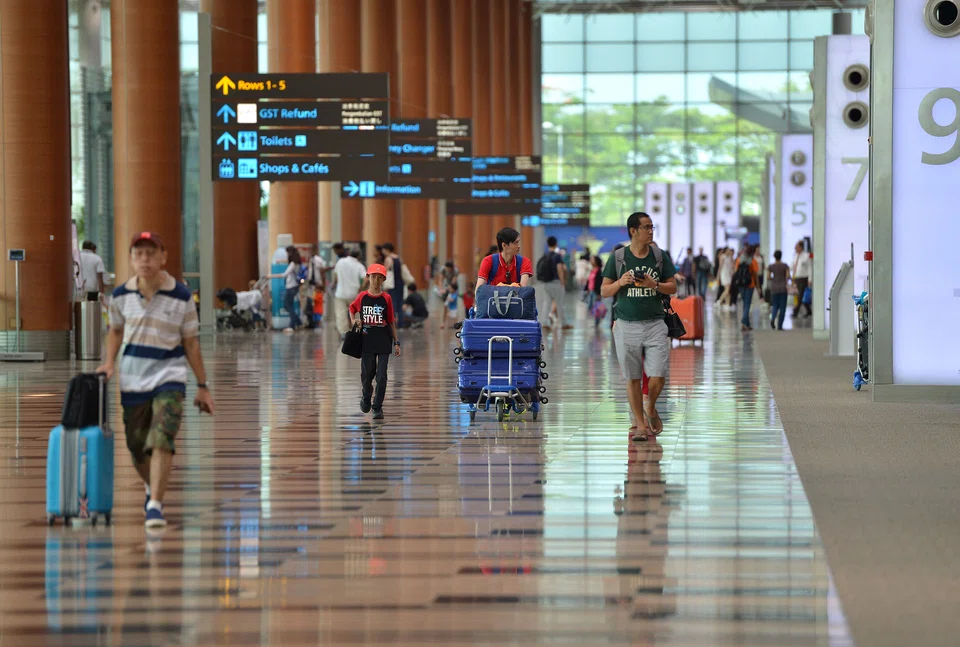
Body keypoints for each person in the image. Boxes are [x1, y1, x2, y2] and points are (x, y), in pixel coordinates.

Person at [97, 231, 215, 530]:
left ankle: (155, 506)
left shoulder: (181, 296)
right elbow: (115, 331)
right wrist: (109, 363)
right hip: (133, 378)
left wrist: (202, 386)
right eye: (139, 254)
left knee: (161, 437)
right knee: (137, 445)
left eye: (151, 253)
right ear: (131, 259)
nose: (145, 259)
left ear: (163, 257)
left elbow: (191, 342)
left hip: (169, 376)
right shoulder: (120, 295)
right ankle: (152, 485)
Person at [601, 212, 678, 443]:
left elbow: (673, 287)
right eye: (646, 227)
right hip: (626, 324)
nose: (651, 231)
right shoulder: (618, 258)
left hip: (655, 323)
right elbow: (604, 291)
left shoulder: (659, 256)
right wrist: (620, 282)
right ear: (633, 231)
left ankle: (650, 406)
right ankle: (641, 426)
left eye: (652, 227)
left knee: (658, 375)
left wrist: (654, 284)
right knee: (633, 378)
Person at [349, 264, 401, 420]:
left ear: (383, 280)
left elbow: (391, 321)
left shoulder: (386, 298)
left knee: (382, 376)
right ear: (368, 278)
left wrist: (396, 343)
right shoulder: (362, 297)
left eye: (379, 278)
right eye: (373, 277)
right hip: (367, 340)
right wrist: (354, 321)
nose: (376, 281)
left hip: (383, 340)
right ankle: (366, 397)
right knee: (367, 375)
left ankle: (377, 407)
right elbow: (352, 308)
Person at [475, 227, 534, 292]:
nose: (518, 246)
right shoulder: (488, 261)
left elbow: (522, 289)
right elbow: (478, 290)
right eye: (515, 243)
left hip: (515, 298)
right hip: (493, 298)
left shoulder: (524, 261)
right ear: (504, 245)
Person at [331, 244, 367, 340]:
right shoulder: (359, 265)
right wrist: (361, 288)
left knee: (340, 313)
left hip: (340, 293)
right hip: (354, 293)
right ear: (359, 256)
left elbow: (336, 275)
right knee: (356, 313)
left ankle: (343, 332)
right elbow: (366, 278)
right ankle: (357, 331)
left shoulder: (340, 262)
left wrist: (334, 284)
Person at [536, 236, 572, 332]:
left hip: (546, 283)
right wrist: (562, 281)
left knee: (547, 303)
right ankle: (564, 324)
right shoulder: (557, 256)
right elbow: (559, 268)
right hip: (556, 282)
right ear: (556, 244)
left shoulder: (545, 256)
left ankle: (544, 323)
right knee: (559, 303)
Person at [733, 245, 759, 331]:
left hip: (740, 284)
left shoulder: (739, 260)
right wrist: (758, 286)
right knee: (747, 304)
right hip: (750, 284)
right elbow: (755, 275)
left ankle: (746, 324)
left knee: (745, 303)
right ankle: (744, 321)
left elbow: (735, 272)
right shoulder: (753, 261)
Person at [767, 250, 791, 330]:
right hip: (783, 288)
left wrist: (774, 279)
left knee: (775, 305)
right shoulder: (785, 266)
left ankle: (773, 318)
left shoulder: (771, 266)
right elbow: (787, 276)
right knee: (782, 307)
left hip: (774, 287)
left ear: (774, 256)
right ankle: (780, 326)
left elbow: (768, 277)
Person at [791, 241, 813, 318]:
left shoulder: (806, 256)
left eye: (797, 247)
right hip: (796, 277)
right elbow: (792, 266)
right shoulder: (795, 256)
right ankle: (809, 311)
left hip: (804, 278)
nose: (795, 248)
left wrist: (810, 279)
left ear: (801, 247)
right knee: (799, 295)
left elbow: (810, 268)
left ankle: (795, 312)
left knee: (800, 295)